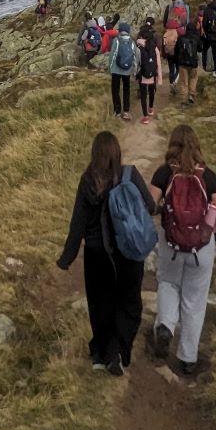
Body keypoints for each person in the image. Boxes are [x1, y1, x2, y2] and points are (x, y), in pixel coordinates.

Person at [57, 130, 150, 374]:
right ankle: (117, 350)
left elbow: (77, 224)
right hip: (127, 250)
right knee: (128, 301)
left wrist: (67, 258)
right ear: (117, 152)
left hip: (97, 253)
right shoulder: (129, 175)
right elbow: (149, 206)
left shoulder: (87, 180)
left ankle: (99, 353)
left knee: (100, 303)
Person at [146, 123, 216, 376]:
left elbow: (149, 205)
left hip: (171, 245)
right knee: (194, 300)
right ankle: (188, 358)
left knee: (169, 284)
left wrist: (162, 210)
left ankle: (166, 327)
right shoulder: (208, 176)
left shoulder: (163, 174)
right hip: (201, 248)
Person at [108, 21, 137, 120]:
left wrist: (110, 67)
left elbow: (113, 55)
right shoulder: (132, 42)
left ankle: (117, 112)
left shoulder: (116, 40)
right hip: (127, 70)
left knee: (115, 90)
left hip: (116, 70)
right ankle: (126, 111)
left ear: (120, 30)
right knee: (126, 90)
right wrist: (134, 70)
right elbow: (134, 57)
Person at [135, 17, 161, 122]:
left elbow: (136, 63)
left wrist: (135, 74)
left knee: (143, 94)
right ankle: (151, 109)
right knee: (151, 91)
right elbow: (158, 63)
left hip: (142, 75)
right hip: (152, 74)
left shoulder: (138, 48)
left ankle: (145, 116)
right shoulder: (154, 48)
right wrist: (159, 77)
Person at [171, 18, 201, 105]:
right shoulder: (196, 38)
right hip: (193, 63)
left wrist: (176, 61)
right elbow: (200, 49)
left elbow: (176, 50)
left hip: (183, 63)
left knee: (183, 81)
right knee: (194, 78)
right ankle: (191, 94)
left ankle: (184, 99)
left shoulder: (181, 38)